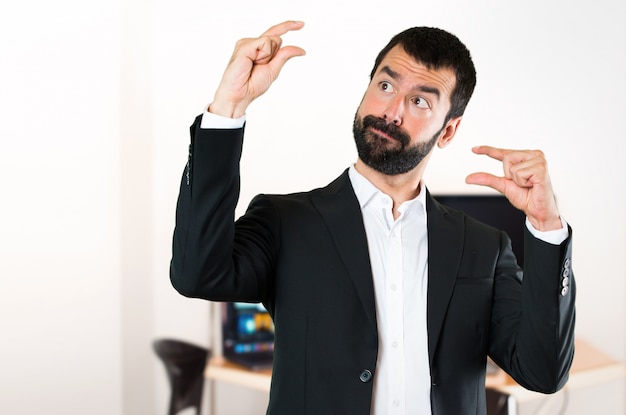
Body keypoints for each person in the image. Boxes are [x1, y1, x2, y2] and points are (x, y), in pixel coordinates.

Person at [170, 20, 575, 415]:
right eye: (385, 86)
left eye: (419, 101)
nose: (391, 111)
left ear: (448, 131)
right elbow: (197, 274)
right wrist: (228, 108)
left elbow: (542, 372)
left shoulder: (485, 246)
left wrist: (546, 226)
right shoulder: (285, 222)